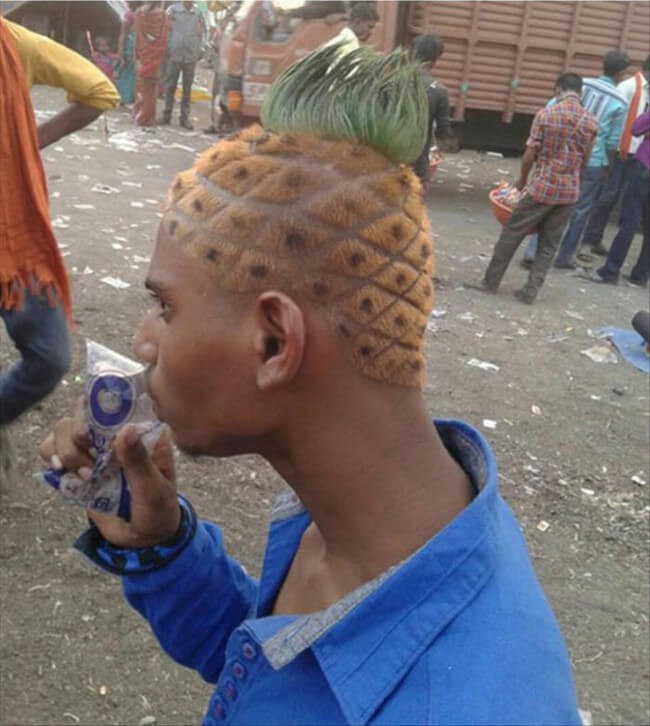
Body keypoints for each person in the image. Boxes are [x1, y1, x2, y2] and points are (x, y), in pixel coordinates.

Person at [40, 45, 580, 723]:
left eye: (165, 307)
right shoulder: (384, 524)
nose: (144, 340)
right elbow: (280, 674)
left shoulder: (465, 707)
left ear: (275, 342)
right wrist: (160, 545)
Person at [0, 19, 119, 432]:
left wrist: (27, 142)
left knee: (49, 358)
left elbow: (100, 92)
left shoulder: (15, 46)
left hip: (12, 240)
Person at [478, 73, 597, 304]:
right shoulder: (592, 122)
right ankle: (530, 292)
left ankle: (490, 282)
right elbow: (585, 161)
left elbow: (529, 156)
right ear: (580, 92)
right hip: (569, 192)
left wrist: (522, 181)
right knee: (548, 245)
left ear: (557, 89)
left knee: (512, 233)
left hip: (542, 187)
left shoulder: (546, 115)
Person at [553, 49, 630, 269]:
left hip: (564, 153)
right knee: (580, 210)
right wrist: (608, 166)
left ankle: (535, 251)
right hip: (594, 161)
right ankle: (564, 256)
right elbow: (612, 142)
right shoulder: (620, 101)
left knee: (550, 202)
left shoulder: (581, 85)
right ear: (620, 73)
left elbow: (553, 107)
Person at [580, 54, 649, 257]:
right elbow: (612, 118)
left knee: (627, 201)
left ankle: (597, 239)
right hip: (620, 150)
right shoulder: (628, 87)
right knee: (607, 197)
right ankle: (589, 240)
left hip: (639, 154)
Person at [587, 110, 649, 286]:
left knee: (630, 220)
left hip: (645, 167)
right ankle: (641, 275)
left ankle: (611, 270)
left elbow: (636, 128)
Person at [410, 33, 451, 188]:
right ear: (436, 59)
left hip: (388, 162)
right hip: (417, 165)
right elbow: (443, 132)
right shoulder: (439, 92)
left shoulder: (390, 83)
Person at [159, 1, 206, 130]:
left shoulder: (198, 13)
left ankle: (184, 118)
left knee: (187, 88)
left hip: (190, 55)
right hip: (174, 54)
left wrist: (201, 49)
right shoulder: (172, 11)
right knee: (170, 85)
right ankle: (166, 114)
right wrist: (166, 47)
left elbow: (203, 33)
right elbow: (164, 29)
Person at [133, 1, 169, 127]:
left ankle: (139, 115)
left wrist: (137, 55)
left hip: (142, 55)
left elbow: (137, 36)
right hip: (155, 57)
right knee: (151, 88)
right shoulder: (162, 15)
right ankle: (147, 117)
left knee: (141, 86)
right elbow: (163, 38)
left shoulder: (139, 13)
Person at [115, 3, 137, 106]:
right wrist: (120, 50)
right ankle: (121, 98)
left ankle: (128, 98)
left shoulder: (142, 15)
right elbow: (123, 33)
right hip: (129, 48)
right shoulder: (129, 15)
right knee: (125, 73)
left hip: (138, 49)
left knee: (133, 75)